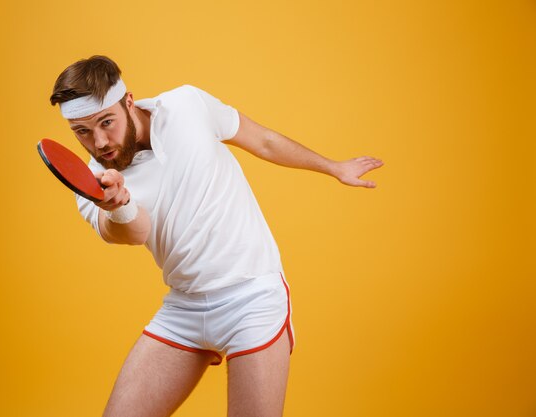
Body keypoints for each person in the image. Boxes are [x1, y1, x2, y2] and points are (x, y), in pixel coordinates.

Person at [49, 55, 383, 417]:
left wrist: (334, 167)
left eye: (106, 122)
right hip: (184, 307)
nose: (99, 142)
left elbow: (265, 141)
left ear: (129, 102)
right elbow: (134, 232)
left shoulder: (187, 105)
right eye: (82, 131)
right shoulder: (92, 181)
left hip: (252, 299)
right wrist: (118, 203)